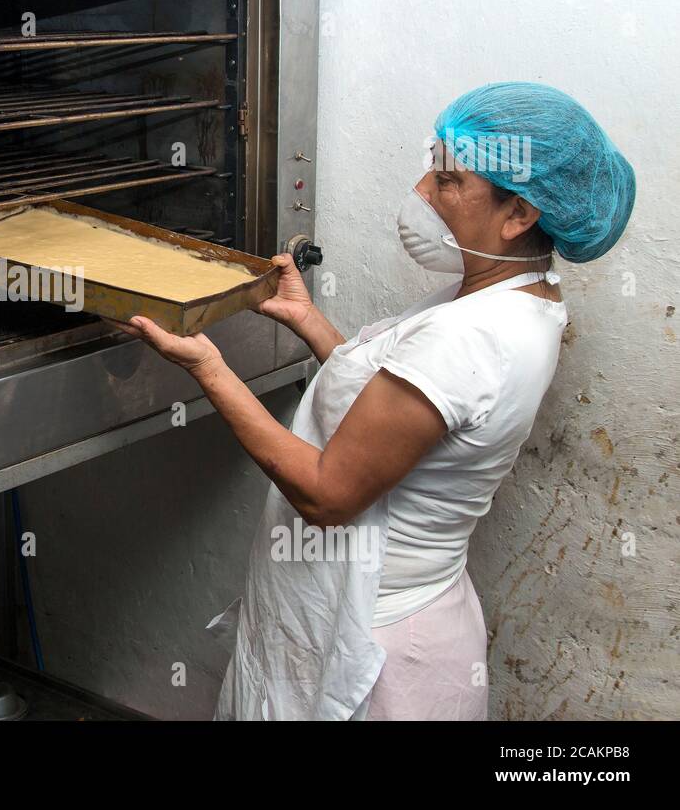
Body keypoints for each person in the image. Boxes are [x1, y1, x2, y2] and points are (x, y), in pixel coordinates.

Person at [115, 82, 635, 720]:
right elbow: (388, 410)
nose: (422, 192)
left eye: (447, 180)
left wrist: (210, 368)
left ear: (518, 215)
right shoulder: (514, 297)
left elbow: (328, 494)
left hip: (376, 647)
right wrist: (308, 321)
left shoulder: (469, 337)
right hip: (392, 613)